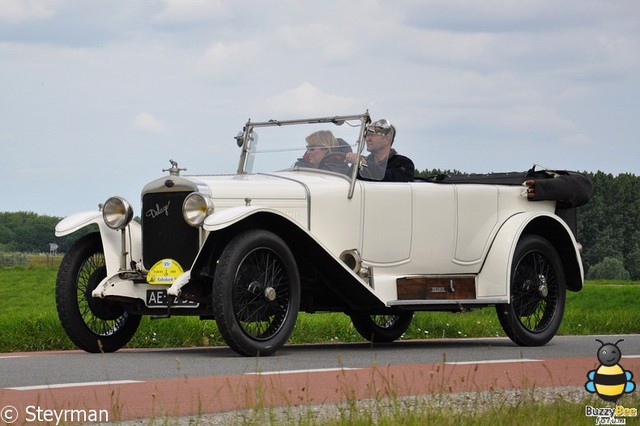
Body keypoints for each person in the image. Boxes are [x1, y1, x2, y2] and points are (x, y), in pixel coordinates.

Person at [346, 119, 415, 182]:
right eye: (366, 135)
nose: (367, 139)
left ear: (386, 139)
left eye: (371, 134)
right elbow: (347, 183)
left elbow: (389, 179)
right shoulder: (364, 162)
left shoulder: (404, 163)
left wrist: (365, 164)